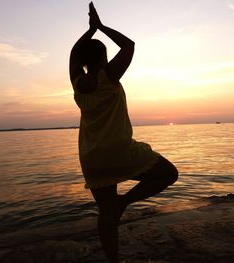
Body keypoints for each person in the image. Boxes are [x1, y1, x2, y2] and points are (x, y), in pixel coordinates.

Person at [69, 2, 178, 262]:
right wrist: (101, 27)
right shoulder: (109, 77)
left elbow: (73, 53)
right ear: (103, 58)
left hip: (92, 158)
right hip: (119, 151)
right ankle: (125, 202)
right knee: (168, 174)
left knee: (106, 213)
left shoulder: (78, 83)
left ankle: (113, 260)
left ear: (84, 62)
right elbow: (129, 46)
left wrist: (89, 31)